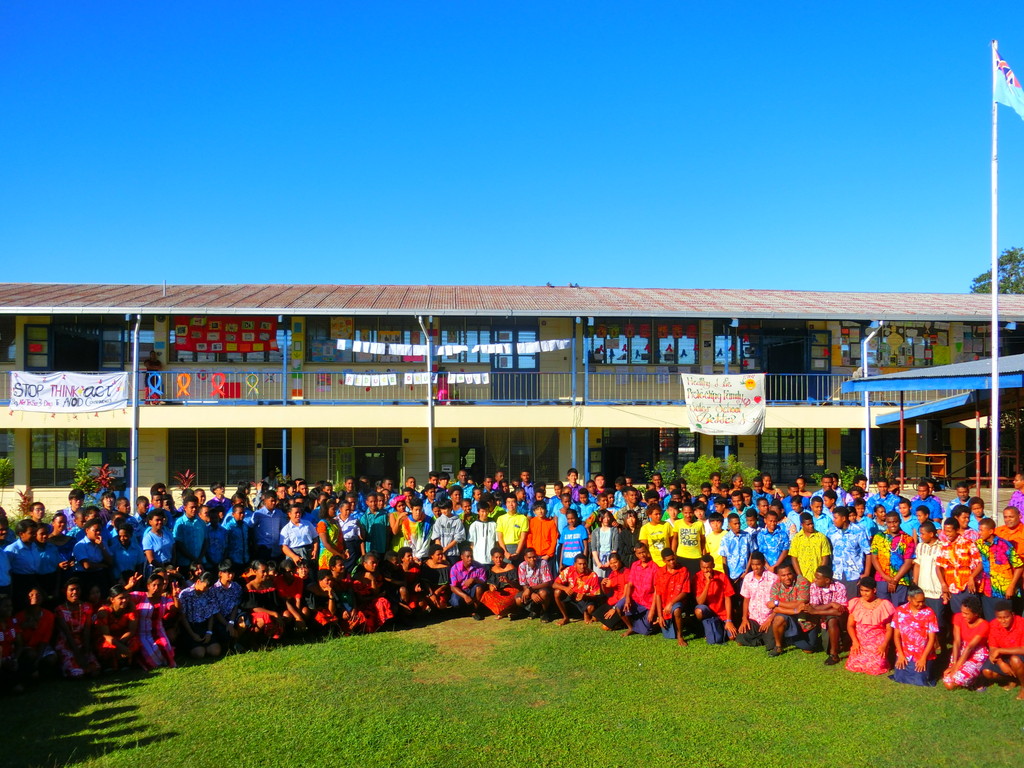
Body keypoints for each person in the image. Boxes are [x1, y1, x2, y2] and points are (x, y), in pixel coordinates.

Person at [845, 577, 896, 676]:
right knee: (854, 665)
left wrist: (884, 645)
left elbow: (889, 629)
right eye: (862, 590)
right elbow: (850, 626)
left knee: (878, 666)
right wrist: (855, 641)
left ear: (874, 590)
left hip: (877, 640)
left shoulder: (884, 605)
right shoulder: (855, 603)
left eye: (867, 591)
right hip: (860, 640)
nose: (864, 593)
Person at [975, 518, 1024, 620]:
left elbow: (1019, 566)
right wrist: (972, 576)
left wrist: (1011, 587)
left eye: (982, 530)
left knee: (1004, 621)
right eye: (979, 530)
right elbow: (983, 562)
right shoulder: (980, 544)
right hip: (987, 590)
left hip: (1003, 591)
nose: (979, 533)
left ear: (990, 531)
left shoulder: (1004, 545)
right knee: (990, 621)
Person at [892, 585, 940, 686]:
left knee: (920, 679)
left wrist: (923, 658)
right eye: (918, 602)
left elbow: (932, 639)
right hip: (905, 653)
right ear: (909, 599)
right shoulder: (900, 611)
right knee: (900, 677)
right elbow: (896, 635)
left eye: (923, 601)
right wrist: (900, 654)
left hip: (923, 653)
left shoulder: (929, 613)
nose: (921, 604)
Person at [53, 579, 99, 679]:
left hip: (82, 642)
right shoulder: (60, 610)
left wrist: (86, 651)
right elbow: (67, 634)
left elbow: (87, 630)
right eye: (72, 589)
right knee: (77, 674)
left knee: (95, 671)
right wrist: (78, 655)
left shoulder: (87, 607)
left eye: (77, 589)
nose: (75, 592)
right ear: (65, 591)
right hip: (66, 643)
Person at [942, 595, 989, 690]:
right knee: (948, 682)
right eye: (962, 612)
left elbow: (970, 647)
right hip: (961, 649)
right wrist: (954, 663)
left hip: (976, 652)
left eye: (966, 613)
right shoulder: (958, 617)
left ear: (976, 614)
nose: (963, 615)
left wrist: (955, 668)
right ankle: (971, 676)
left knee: (954, 681)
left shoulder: (984, 625)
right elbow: (957, 641)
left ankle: (978, 678)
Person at [980, 600, 1024, 699]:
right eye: (999, 618)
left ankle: (1023, 687)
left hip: (1019, 656)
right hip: (1004, 657)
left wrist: (1000, 650)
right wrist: (1001, 663)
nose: (1003, 621)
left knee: (1015, 660)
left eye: (1006, 617)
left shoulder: (1021, 623)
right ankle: (1013, 678)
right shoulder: (993, 625)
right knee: (987, 671)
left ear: (1012, 614)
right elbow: (993, 648)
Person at [937, 517, 981, 615]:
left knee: (970, 614)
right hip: (952, 587)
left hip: (967, 586)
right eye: (945, 531)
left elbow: (980, 562)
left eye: (949, 531)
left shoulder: (968, 543)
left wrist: (972, 577)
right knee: (958, 616)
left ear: (957, 530)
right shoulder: (944, 546)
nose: (947, 534)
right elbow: (939, 566)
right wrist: (943, 584)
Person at [870, 511, 916, 606]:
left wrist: (895, 580)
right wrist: (885, 577)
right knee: (883, 607)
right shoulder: (878, 537)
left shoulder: (908, 539)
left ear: (900, 521)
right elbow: (874, 558)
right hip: (881, 578)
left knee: (898, 607)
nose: (892, 525)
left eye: (895, 522)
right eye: (889, 522)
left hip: (901, 580)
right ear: (886, 523)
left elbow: (908, 562)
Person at [805, 566, 847, 665]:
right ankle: (837, 645)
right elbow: (814, 607)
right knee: (826, 647)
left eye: (818, 578)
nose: (815, 580)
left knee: (832, 620)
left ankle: (834, 655)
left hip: (839, 620)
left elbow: (839, 612)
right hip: (821, 620)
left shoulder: (840, 587)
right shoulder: (814, 586)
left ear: (827, 580)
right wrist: (831, 604)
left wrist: (815, 611)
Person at [826, 507, 871, 598]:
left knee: (852, 602)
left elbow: (868, 552)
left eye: (836, 518)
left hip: (854, 575)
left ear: (843, 518)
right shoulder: (831, 532)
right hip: (836, 574)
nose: (833, 520)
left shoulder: (859, 531)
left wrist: (866, 573)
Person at [736, 551, 778, 647]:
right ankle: (761, 638)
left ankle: (764, 638)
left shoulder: (773, 578)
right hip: (754, 619)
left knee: (771, 644)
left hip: (769, 618)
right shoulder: (748, 578)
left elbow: (778, 602)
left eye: (758, 564)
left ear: (763, 563)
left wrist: (770, 619)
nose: (755, 567)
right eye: (753, 565)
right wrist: (744, 619)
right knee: (740, 639)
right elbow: (746, 600)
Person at [693, 554, 736, 645]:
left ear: (713, 566)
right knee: (698, 611)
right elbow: (700, 602)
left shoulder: (722, 576)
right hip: (708, 612)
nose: (705, 570)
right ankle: (706, 629)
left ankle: (721, 627)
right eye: (703, 567)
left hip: (722, 612)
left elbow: (728, 598)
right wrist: (708, 583)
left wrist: (729, 620)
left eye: (708, 568)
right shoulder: (697, 577)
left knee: (732, 637)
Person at [93, 585, 139, 672]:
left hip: (123, 638)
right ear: (112, 599)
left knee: (135, 642)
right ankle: (109, 664)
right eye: (121, 598)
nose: (125, 600)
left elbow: (132, 630)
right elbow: (106, 635)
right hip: (107, 639)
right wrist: (120, 647)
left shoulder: (130, 608)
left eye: (126, 597)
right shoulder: (104, 612)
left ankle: (125, 662)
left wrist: (121, 644)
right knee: (107, 646)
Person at [621, 543, 661, 637]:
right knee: (620, 606)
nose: (642, 555)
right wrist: (627, 599)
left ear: (648, 552)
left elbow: (657, 590)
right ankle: (631, 628)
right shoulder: (635, 565)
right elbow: (630, 584)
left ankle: (652, 624)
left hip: (648, 602)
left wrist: (652, 610)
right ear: (636, 554)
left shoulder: (655, 567)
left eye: (644, 552)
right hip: (635, 599)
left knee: (647, 631)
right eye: (639, 553)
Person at [652, 550, 690, 645]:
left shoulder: (683, 570)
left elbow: (685, 591)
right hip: (665, 606)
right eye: (669, 560)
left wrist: (671, 603)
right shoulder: (660, 573)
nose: (672, 562)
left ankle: (680, 636)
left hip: (678, 602)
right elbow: (658, 594)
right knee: (669, 635)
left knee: (676, 610)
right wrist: (660, 616)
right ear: (664, 561)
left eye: (673, 559)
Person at [553, 554, 602, 626]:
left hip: (585, 599)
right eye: (580, 564)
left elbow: (596, 594)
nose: (582, 566)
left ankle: (586, 613)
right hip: (571, 595)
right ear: (575, 564)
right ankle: (565, 617)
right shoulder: (569, 570)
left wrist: (584, 596)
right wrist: (565, 588)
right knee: (557, 592)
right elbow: (554, 584)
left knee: (590, 608)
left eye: (584, 564)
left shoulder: (593, 575)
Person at [789, 513, 831, 583]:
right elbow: (794, 558)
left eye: (812, 523)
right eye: (808, 524)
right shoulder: (796, 538)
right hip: (803, 577)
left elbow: (825, 557)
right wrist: (800, 576)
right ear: (802, 525)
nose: (811, 526)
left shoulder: (821, 537)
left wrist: (818, 576)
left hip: (818, 579)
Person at [480, 548, 520, 619]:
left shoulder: (510, 567)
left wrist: (508, 581)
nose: (498, 560)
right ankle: (505, 611)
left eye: (500, 557)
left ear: (503, 557)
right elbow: (490, 586)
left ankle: (504, 612)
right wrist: (492, 587)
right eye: (496, 557)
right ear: (492, 558)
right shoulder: (492, 570)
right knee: (486, 594)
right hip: (500, 593)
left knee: (513, 596)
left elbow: (517, 586)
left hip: (511, 592)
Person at [449, 546, 487, 621]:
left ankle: (475, 610)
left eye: (471, 556)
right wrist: (465, 596)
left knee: (479, 588)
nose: (470, 558)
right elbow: (452, 587)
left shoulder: (479, 567)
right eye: (467, 556)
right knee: (455, 602)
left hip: (473, 589)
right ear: (462, 557)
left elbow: (484, 581)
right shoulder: (455, 568)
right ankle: (464, 611)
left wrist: (474, 579)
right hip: (460, 590)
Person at [517, 548, 554, 621]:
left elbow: (548, 582)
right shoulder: (522, 566)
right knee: (518, 600)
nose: (532, 559)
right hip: (529, 590)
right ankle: (535, 611)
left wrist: (531, 589)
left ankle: (544, 612)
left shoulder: (543, 563)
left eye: (534, 557)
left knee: (543, 593)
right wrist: (531, 593)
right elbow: (524, 584)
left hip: (542, 588)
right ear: (525, 558)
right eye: (529, 557)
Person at [589, 511, 620, 578]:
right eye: (604, 517)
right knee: (598, 579)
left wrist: (609, 562)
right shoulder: (595, 531)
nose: (606, 519)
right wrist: (598, 562)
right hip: (598, 559)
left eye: (608, 517)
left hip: (610, 558)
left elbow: (615, 547)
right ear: (600, 518)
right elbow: (593, 548)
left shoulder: (614, 530)